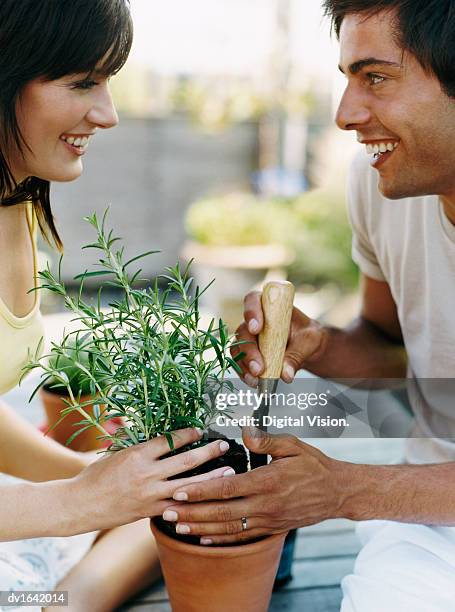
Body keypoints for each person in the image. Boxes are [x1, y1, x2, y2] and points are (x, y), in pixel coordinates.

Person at [160, 1, 455, 610]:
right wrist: (320, 344)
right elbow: (389, 347)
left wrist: (344, 489)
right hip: (428, 529)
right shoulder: (380, 188)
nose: (346, 115)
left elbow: (353, 490)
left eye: (375, 77)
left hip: (397, 493)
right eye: (346, 77)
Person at [0, 2, 233, 610]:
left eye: (107, 82)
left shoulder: (16, 204)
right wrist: (77, 501)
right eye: (82, 82)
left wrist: (102, 480)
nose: (107, 113)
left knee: (171, 511)